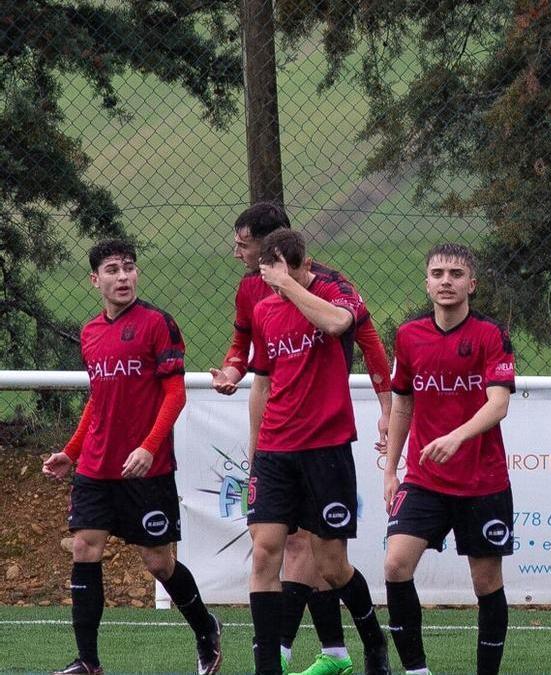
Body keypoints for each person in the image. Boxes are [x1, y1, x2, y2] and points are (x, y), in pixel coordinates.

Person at [209, 202, 391, 675]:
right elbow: (262, 375)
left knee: (330, 565)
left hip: (326, 449)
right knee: (267, 548)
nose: (237, 254)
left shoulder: (332, 291)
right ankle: (270, 663)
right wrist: (255, 449)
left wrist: (388, 403)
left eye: (244, 245)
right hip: (275, 449)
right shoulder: (262, 306)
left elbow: (342, 326)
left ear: (302, 264)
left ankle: (372, 641)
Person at [43, 239, 222, 675]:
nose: (122, 277)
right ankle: (88, 662)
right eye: (112, 270)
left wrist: (148, 445)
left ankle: (206, 630)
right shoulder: (90, 333)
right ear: (95, 280)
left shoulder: (158, 323)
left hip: (147, 468)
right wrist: (72, 451)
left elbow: (174, 394)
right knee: (85, 548)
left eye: (128, 268)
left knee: (158, 562)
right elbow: (98, 401)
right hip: (96, 468)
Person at [382, 244, 516, 675]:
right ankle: (416, 670)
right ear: (426, 282)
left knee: (485, 583)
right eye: (437, 273)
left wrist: (456, 437)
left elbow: (498, 404)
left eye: (456, 274)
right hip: (424, 479)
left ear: (471, 284)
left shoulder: (490, 335)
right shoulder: (408, 336)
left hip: (483, 481)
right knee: (396, 565)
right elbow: (402, 405)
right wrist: (391, 469)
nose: (446, 281)